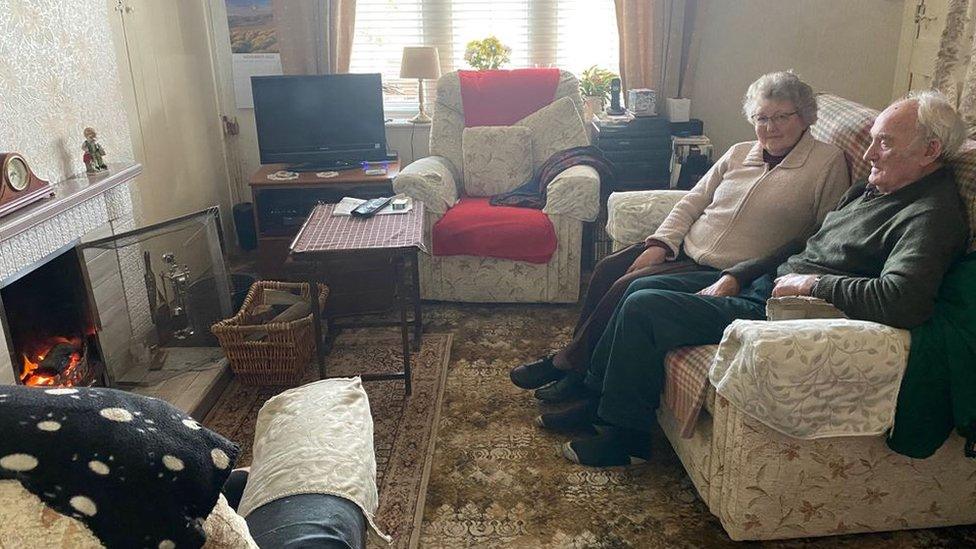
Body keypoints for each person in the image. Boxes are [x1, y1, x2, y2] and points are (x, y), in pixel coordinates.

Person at [546, 90, 969, 467]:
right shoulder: (876, 187)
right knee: (637, 286)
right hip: (762, 284)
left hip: (790, 313)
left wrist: (811, 285)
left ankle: (620, 438)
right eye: (873, 139)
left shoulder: (930, 216)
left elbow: (905, 300)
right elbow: (808, 239)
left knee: (644, 306)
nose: (871, 153)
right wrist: (738, 273)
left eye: (886, 142)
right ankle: (598, 397)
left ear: (930, 150)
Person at [510, 71, 850, 400]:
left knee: (627, 287)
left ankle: (571, 368)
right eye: (761, 118)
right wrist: (661, 243)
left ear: (804, 117)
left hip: (727, 269)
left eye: (781, 117)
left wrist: (746, 271)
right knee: (607, 269)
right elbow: (691, 202)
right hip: (685, 250)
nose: (769, 127)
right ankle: (576, 369)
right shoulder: (738, 153)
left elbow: (819, 236)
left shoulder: (826, 164)